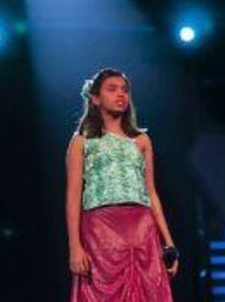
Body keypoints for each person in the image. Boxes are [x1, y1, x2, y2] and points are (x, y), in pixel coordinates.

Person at [67, 68, 178, 301]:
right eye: (112, 89)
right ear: (95, 98)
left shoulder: (141, 140)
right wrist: (75, 246)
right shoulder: (82, 142)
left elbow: (151, 193)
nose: (121, 95)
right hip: (101, 232)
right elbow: (73, 197)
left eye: (125, 90)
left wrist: (169, 244)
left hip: (141, 230)